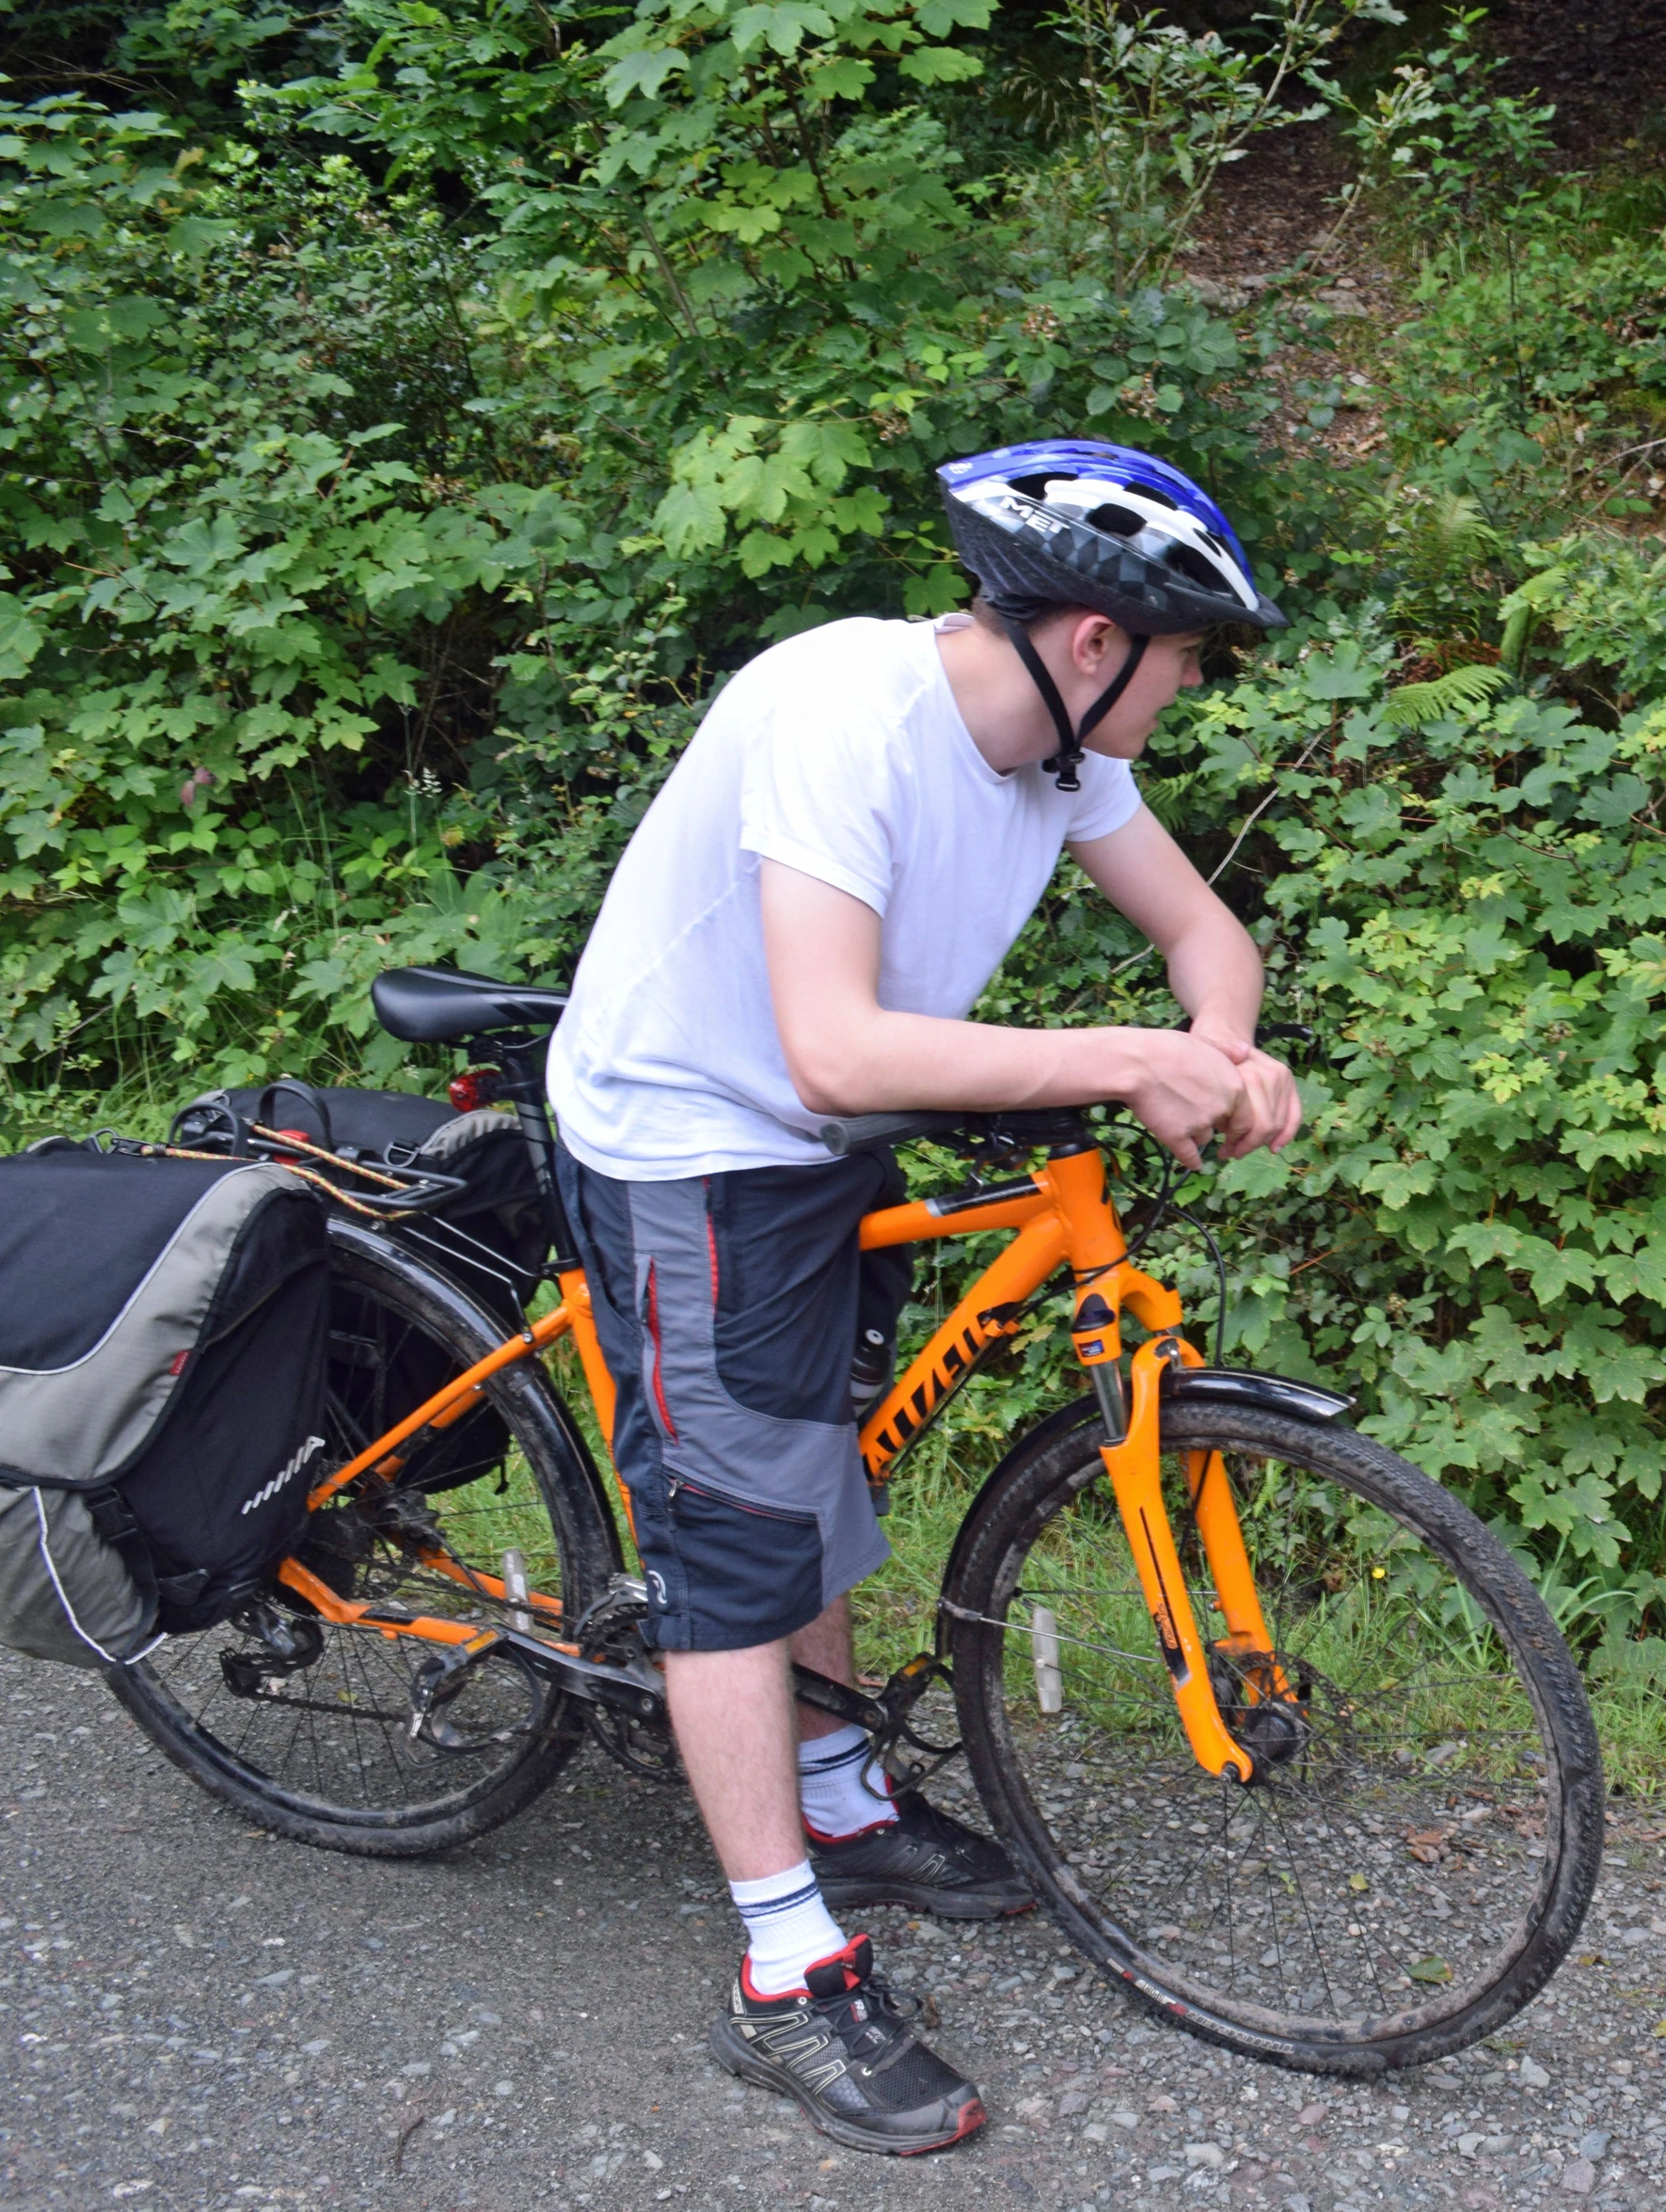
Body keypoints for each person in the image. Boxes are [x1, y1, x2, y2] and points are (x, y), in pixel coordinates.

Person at [544, 441, 1300, 2157]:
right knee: (740, 1537)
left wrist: (1223, 1052)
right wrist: (1124, 1062)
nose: (1186, 695)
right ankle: (784, 1971)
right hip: (692, 1139)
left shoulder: (1060, 753)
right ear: (1098, 639)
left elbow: (1207, 936)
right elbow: (831, 1041)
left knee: (824, 1471)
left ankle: (832, 1794)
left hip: (823, 1141)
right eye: (1186, 660)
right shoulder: (842, 710)